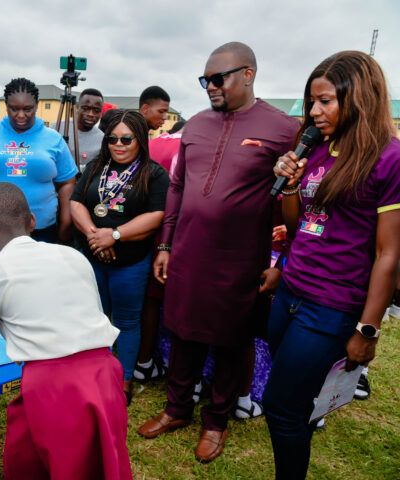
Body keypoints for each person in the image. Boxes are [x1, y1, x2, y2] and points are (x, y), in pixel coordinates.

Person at [137, 42, 299, 463]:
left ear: (248, 74)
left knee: (231, 339)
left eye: (218, 78)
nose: (209, 86)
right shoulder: (196, 126)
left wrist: (280, 262)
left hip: (240, 256)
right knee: (183, 329)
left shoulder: (283, 128)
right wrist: (167, 244)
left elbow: (297, 198)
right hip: (188, 250)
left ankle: (216, 421)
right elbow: (177, 187)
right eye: (204, 79)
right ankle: (176, 409)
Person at [264, 50, 400, 480]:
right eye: (311, 101)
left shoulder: (388, 157)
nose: (314, 111)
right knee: (295, 401)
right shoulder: (318, 148)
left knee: (281, 409)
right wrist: (289, 184)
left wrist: (368, 328)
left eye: (325, 101)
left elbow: (389, 254)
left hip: (332, 306)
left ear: (358, 98)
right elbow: (300, 223)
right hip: (290, 293)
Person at [0, 182, 132, 480]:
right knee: (98, 464)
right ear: (32, 221)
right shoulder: (74, 257)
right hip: (105, 374)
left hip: (54, 389)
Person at [70, 109, 169, 404]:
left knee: (126, 321)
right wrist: (94, 234)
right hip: (93, 259)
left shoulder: (153, 173)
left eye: (127, 139)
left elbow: (157, 215)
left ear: (140, 139)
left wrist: (114, 235)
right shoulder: (95, 167)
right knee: (94, 318)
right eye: (112, 138)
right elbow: (76, 202)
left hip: (131, 263)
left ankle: (124, 378)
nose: (119, 144)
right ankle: (94, 375)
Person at [0, 78, 77, 245]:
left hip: (40, 229)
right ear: (6, 106)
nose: (20, 115)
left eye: (27, 109)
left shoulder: (53, 138)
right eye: (13, 109)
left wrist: (65, 222)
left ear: (37, 105)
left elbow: (67, 182)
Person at [133, 119, 184, 384]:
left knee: (148, 298)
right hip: (178, 229)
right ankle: (178, 368)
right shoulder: (190, 145)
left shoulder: (152, 144)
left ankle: (143, 358)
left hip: (143, 226)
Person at [52, 88, 105, 171]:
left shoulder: (102, 139)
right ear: (77, 107)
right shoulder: (57, 127)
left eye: (96, 110)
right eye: (85, 108)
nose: (91, 114)